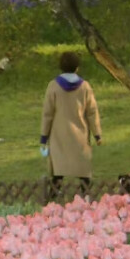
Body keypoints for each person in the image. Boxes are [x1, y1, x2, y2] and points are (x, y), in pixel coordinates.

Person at [40, 52, 102, 196]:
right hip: (80, 135)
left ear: (60, 67)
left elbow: (47, 114)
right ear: (77, 68)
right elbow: (92, 112)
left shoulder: (53, 86)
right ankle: (86, 194)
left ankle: (54, 194)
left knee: (58, 169)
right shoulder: (85, 87)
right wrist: (97, 134)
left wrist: (43, 137)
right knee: (82, 169)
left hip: (59, 136)